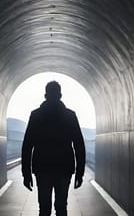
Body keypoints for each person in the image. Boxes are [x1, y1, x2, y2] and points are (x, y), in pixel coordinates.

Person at [21, 80, 86, 216]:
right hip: (64, 167)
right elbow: (79, 145)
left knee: (44, 208)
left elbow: (27, 146)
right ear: (60, 95)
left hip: (42, 167)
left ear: (45, 95)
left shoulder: (36, 115)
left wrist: (26, 173)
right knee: (61, 207)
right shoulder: (70, 116)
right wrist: (80, 172)